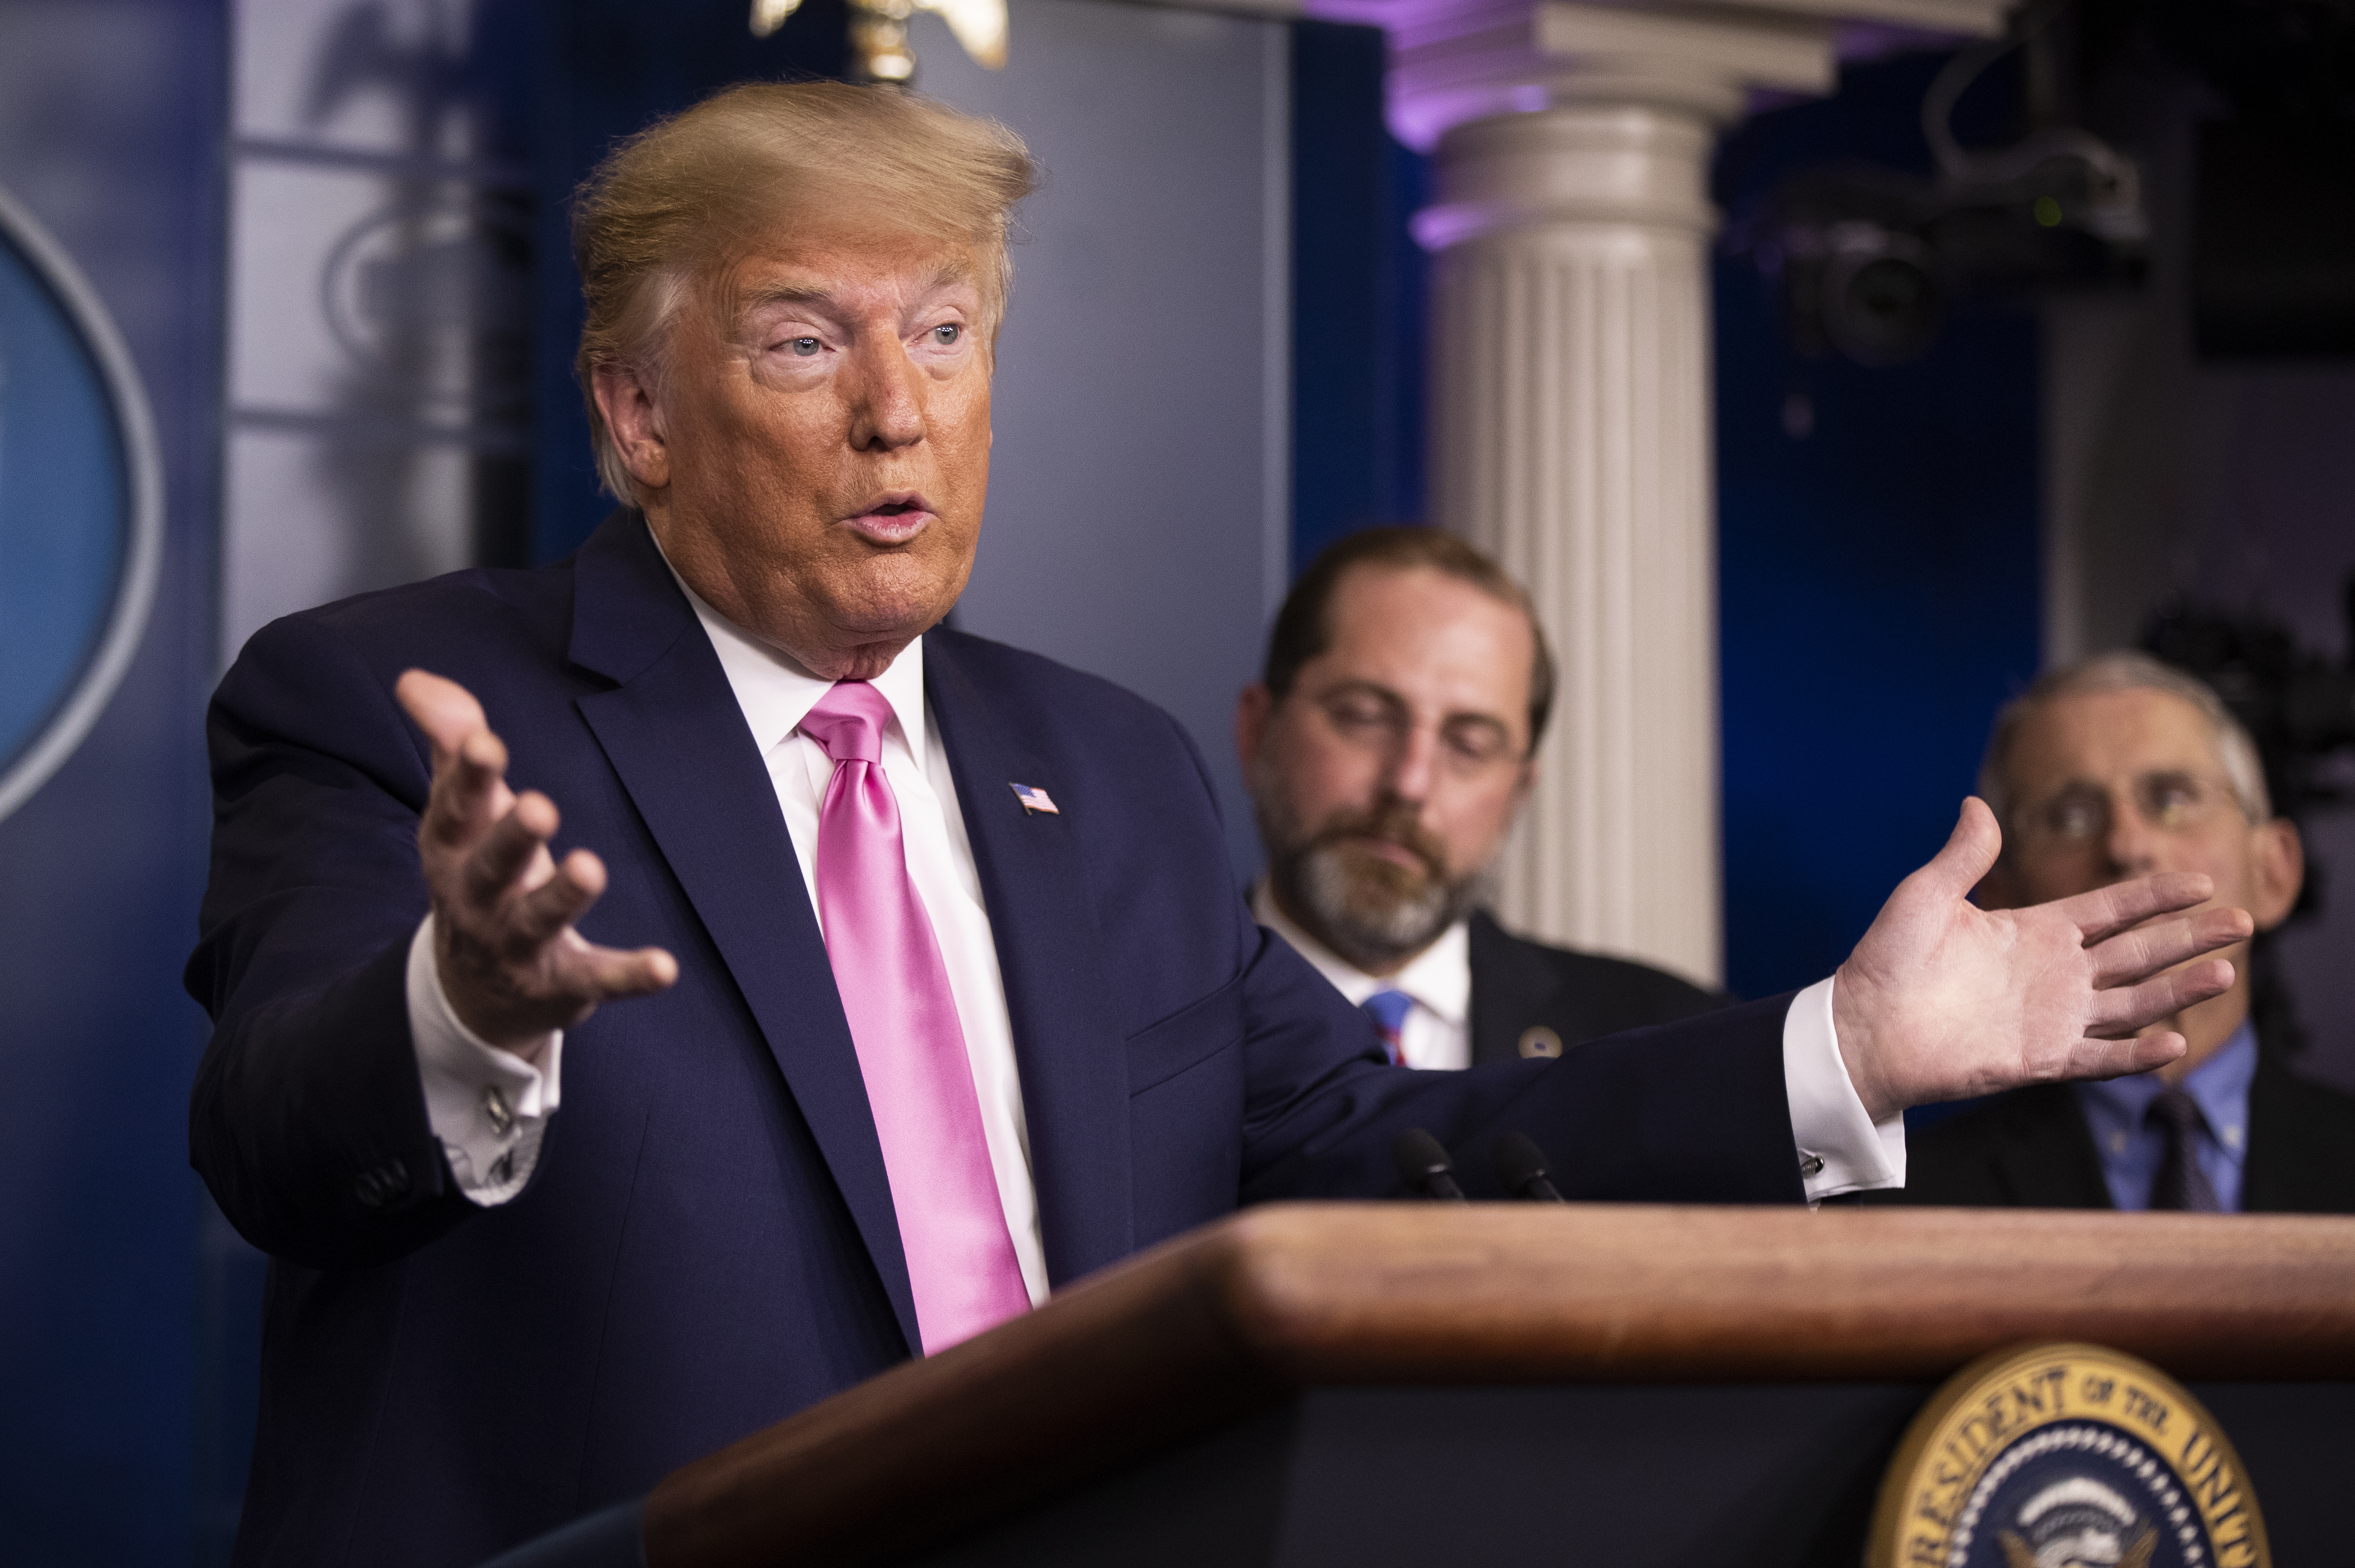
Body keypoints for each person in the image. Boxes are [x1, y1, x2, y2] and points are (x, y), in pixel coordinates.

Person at [185, 83, 2248, 1567]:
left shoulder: (1108, 774)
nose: (895, 410)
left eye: (945, 333)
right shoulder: (401, 704)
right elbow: (276, 1132)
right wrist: (461, 1005)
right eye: (806, 344)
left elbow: (1378, 1163)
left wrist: (1841, 1052)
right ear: (638, 413)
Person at [1236, 527, 1725, 1070]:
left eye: (1468, 745)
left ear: (1517, 795)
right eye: (1363, 717)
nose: (1410, 784)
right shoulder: (1136, 1021)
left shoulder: (1676, 1048)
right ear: (1257, 731)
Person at [1887, 652, 2355, 1213]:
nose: (2126, 846)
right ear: (2001, 902)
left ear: (2274, 872)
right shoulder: (1912, 1203)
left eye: (2173, 799)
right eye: (2071, 816)